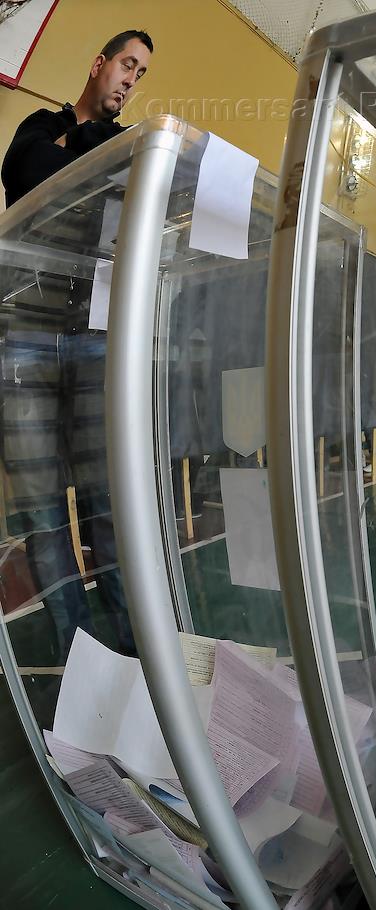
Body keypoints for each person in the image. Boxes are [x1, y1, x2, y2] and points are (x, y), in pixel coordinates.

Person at [0, 30, 153, 660]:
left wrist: (84, 147)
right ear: (98, 64)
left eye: (141, 74)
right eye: (126, 64)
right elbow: (25, 173)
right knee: (41, 513)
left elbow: (136, 195)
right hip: (24, 335)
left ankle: (135, 656)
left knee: (106, 505)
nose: (131, 80)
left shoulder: (127, 143)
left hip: (93, 338)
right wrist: (85, 144)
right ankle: (79, 660)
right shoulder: (41, 125)